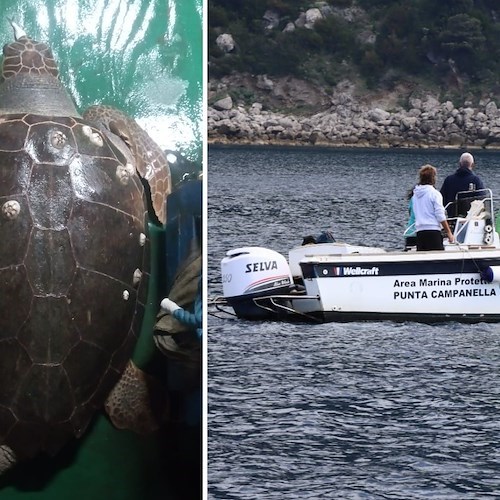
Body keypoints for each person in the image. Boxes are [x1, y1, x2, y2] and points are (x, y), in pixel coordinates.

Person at [413, 164, 454, 251]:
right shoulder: (434, 194)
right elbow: (440, 215)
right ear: (433, 178)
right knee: (438, 260)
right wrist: (449, 233)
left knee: (423, 261)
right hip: (433, 231)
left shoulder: (415, 195)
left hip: (420, 232)